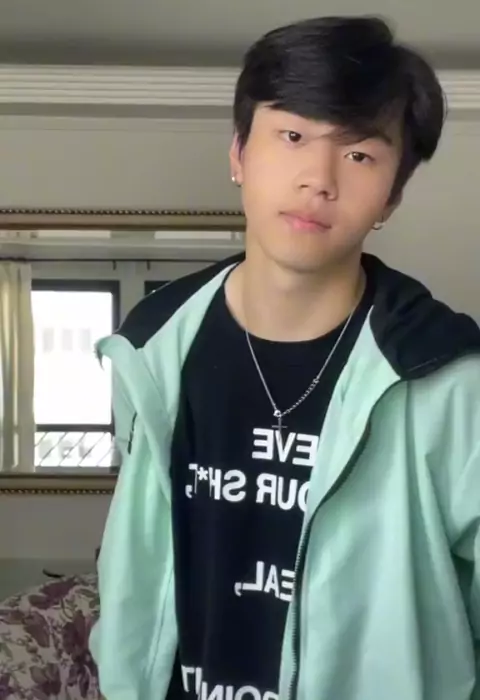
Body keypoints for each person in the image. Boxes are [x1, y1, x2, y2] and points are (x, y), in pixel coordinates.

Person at [89, 15, 480, 700]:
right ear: (239, 154)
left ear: (391, 196)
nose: (318, 180)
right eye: (293, 136)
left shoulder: (448, 378)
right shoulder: (150, 346)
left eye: (360, 155)